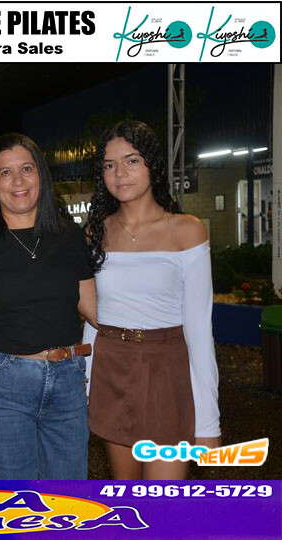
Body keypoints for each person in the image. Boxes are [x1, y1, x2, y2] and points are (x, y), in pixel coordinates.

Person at [0, 133, 96, 480]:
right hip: (1, 388)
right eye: (6, 172)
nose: (18, 181)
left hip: (68, 383)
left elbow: (94, 310)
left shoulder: (70, 237)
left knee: (68, 500)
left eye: (27, 169)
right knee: (10, 504)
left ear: (41, 175)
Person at [84, 120, 221, 480]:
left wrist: (208, 422)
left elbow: (199, 330)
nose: (120, 173)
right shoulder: (96, 233)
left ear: (152, 164)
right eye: (110, 165)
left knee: (164, 502)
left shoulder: (186, 230)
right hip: (111, 369)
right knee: (127, 494)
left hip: (167, 372)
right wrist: (86, 388)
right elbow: (94, 318)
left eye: (131, 161)